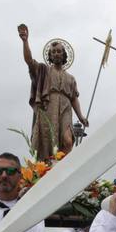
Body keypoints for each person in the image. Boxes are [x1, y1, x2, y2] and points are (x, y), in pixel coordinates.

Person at [18, 24, 87, 158]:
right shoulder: (44, 70)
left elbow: (74, 98)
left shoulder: (71, 78)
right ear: (50, 55)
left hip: (66, 107)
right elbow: (29, 61)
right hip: (48, 106)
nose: (56, 54)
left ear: (64, 54)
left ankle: (63, 165)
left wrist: (80, 116)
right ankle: (50, 165)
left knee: (68, 140)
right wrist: (25, 41)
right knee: (48, 140)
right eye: (53, 52)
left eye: (59, 51)